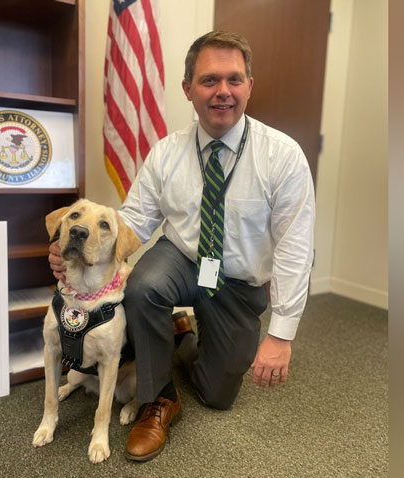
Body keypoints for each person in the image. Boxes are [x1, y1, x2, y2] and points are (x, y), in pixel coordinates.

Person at [49, 30, 315, 462]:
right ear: (188, 88)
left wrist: (281, 335)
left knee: (217, 394)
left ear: (250, 85)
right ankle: (158, 398)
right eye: (209, 80)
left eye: (234, 79)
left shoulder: (282, 156)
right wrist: (74, 248)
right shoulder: (166, 153)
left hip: (238, 280)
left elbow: (295, 248)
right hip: (182, 259)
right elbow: (132, 222)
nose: (223, 92)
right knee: (143, 286)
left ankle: (183, 336)